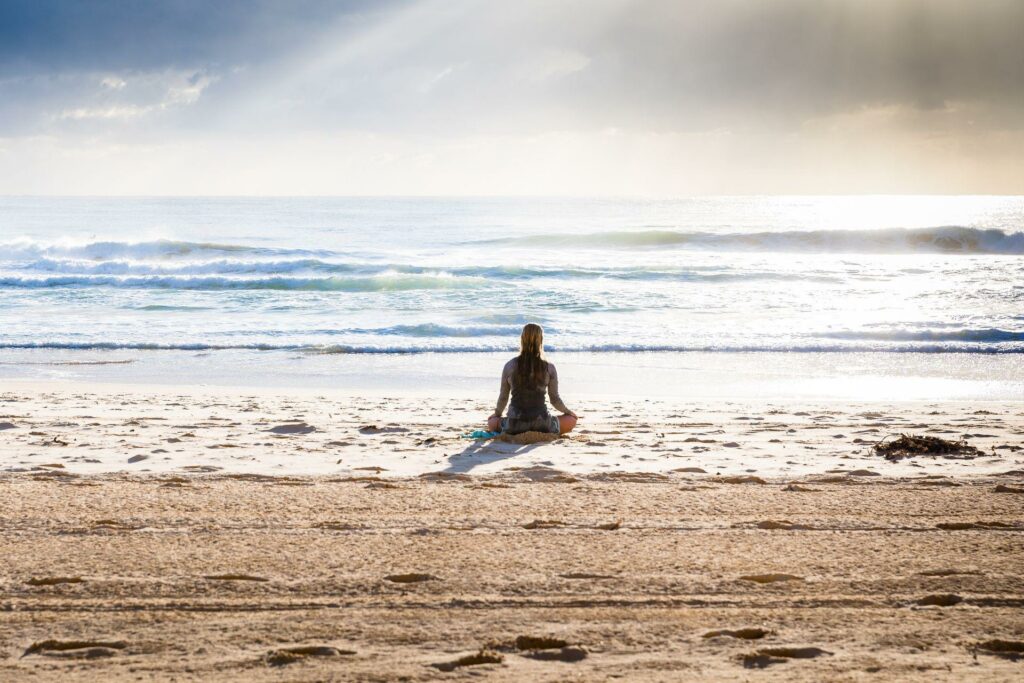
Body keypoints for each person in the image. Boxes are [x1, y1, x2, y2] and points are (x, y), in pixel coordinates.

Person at [487, 323, 578, 435]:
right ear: (541, 340)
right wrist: (568, 412)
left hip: (514, 425)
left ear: (522, 340)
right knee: (572, 420)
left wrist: (497, 414)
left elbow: (503, 398)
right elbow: (554, 399)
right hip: (542, 423)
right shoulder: (549, 367)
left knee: (491, 422)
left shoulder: (509, 366)